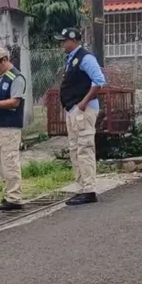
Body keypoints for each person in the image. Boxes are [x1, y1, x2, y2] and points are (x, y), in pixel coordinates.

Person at [54, 27, 107, 205]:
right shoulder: (72, 59)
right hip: (74, 110)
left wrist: (83, 103)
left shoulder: (86, 58)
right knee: (75, 149)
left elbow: (99, 81)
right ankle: (82, 187)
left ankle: (89, 190)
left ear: (73, 40)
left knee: (84, 148)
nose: (62, 44)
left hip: (83, 110)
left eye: (64, 41)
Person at [0, 46, 27, 211]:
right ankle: (7, 194)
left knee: (10, 162)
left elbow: (14, 102)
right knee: (0, 164)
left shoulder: (16, 77)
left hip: (9, 126)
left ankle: (15, 197)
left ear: (5, 60)